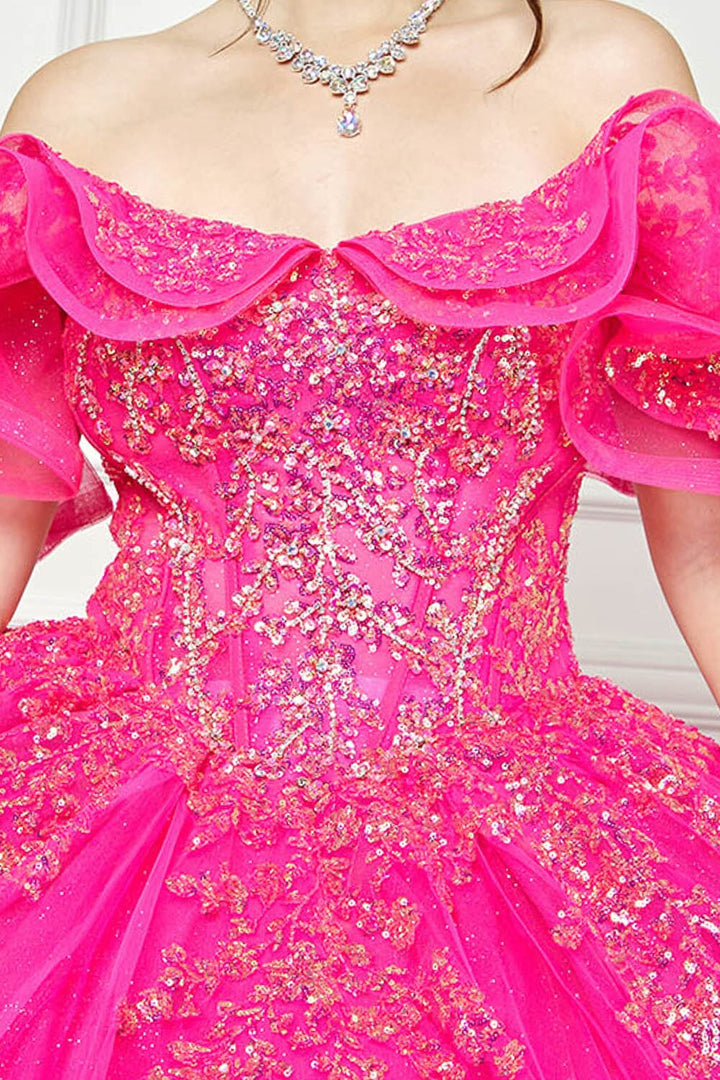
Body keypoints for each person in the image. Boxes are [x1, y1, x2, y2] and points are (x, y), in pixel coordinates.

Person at [1, 0, 720, 1075]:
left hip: (514, 839)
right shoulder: (80, 109)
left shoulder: (609, 78)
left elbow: (708, 549)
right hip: (120, 827)